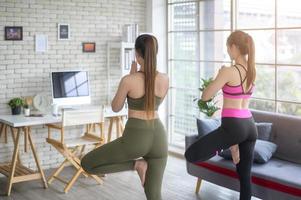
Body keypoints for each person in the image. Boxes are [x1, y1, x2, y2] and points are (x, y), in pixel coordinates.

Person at [81, 34, 169, 200]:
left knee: (87, 163)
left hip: (136, 138)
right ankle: (140, 165)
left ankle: (137, 164)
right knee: (154, 195)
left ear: (136, 54)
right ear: (155, 53)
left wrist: (130, 77)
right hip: (159, 137)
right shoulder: (165, 79)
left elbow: (116, 107)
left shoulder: (129, 80)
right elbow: (151, 99)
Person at [185, 30, 257, 200]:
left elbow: (206, 96)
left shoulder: (229, 71)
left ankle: (228, 144)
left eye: (228, 47)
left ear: (234, 47)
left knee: (191, 154)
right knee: (245, 178)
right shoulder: (253, 71)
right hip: (250, 125)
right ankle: (232, 145)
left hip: (233, 127)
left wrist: (219, 75)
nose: (227, 51)